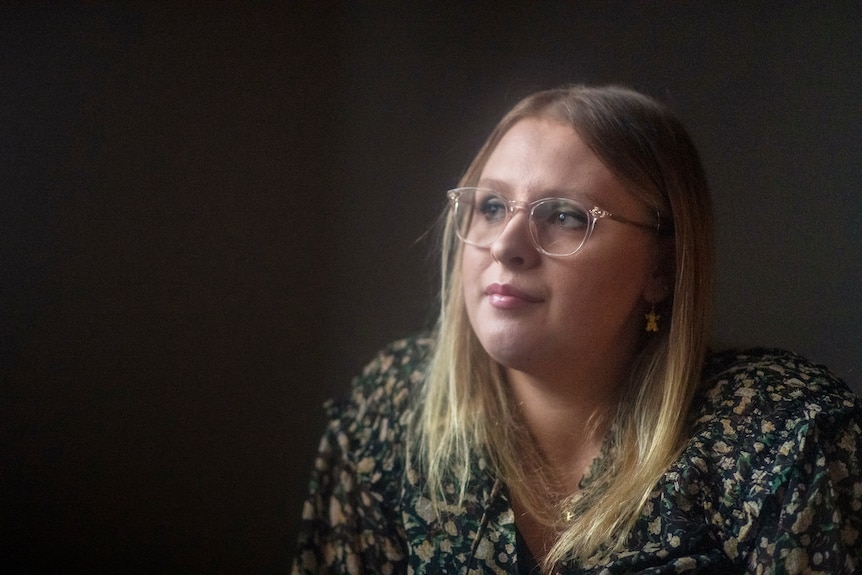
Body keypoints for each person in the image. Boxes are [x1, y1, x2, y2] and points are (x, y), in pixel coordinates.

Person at [291, 85, 862, 574]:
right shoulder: (389, 411)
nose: (505, 246)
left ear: (661, 268)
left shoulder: (781, 437)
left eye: (563, 215)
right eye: (491, 207)